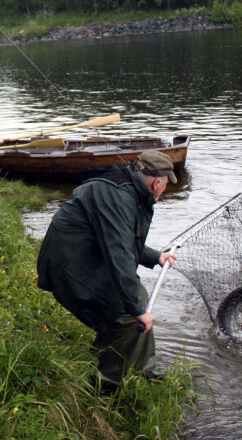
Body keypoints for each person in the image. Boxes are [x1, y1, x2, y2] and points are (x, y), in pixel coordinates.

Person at [37, 150, 178, 393]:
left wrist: (155, 256)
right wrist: (136, 309)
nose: (163, 190)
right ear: (157, 183)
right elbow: (120, 254)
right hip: (67, 266)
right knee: (125, 310)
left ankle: (138, 369)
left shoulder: (128, 190)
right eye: (165, 186)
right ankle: (106, 383)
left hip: (85, 256)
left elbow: (123, 240)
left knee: (138, 299)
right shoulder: (118, 198)